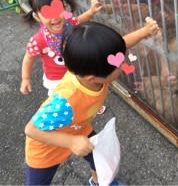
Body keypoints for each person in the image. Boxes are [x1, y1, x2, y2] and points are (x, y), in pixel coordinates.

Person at [24, 19, 160, 185]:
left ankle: (99, 181)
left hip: (79, 128)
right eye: (119, 63)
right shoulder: (65, 100)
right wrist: (71, 142)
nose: (122, 63)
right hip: (46, 149)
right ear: (93, 78)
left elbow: (119, 46)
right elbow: (31, 129)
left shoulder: (90, 66)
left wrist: (144, 32)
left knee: (100, 159)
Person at [20, 0, 103, 96]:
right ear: (37, 16)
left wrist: (91, 12)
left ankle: (87, 106)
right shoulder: (38, 40)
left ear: (64, 7)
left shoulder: (69, 22)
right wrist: (25, 78)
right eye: (47, 14)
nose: (54, 17)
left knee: (81, 92)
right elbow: (28, 58)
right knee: (63, 98)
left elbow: (79, 20)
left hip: (76, 71)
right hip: (57, 79)